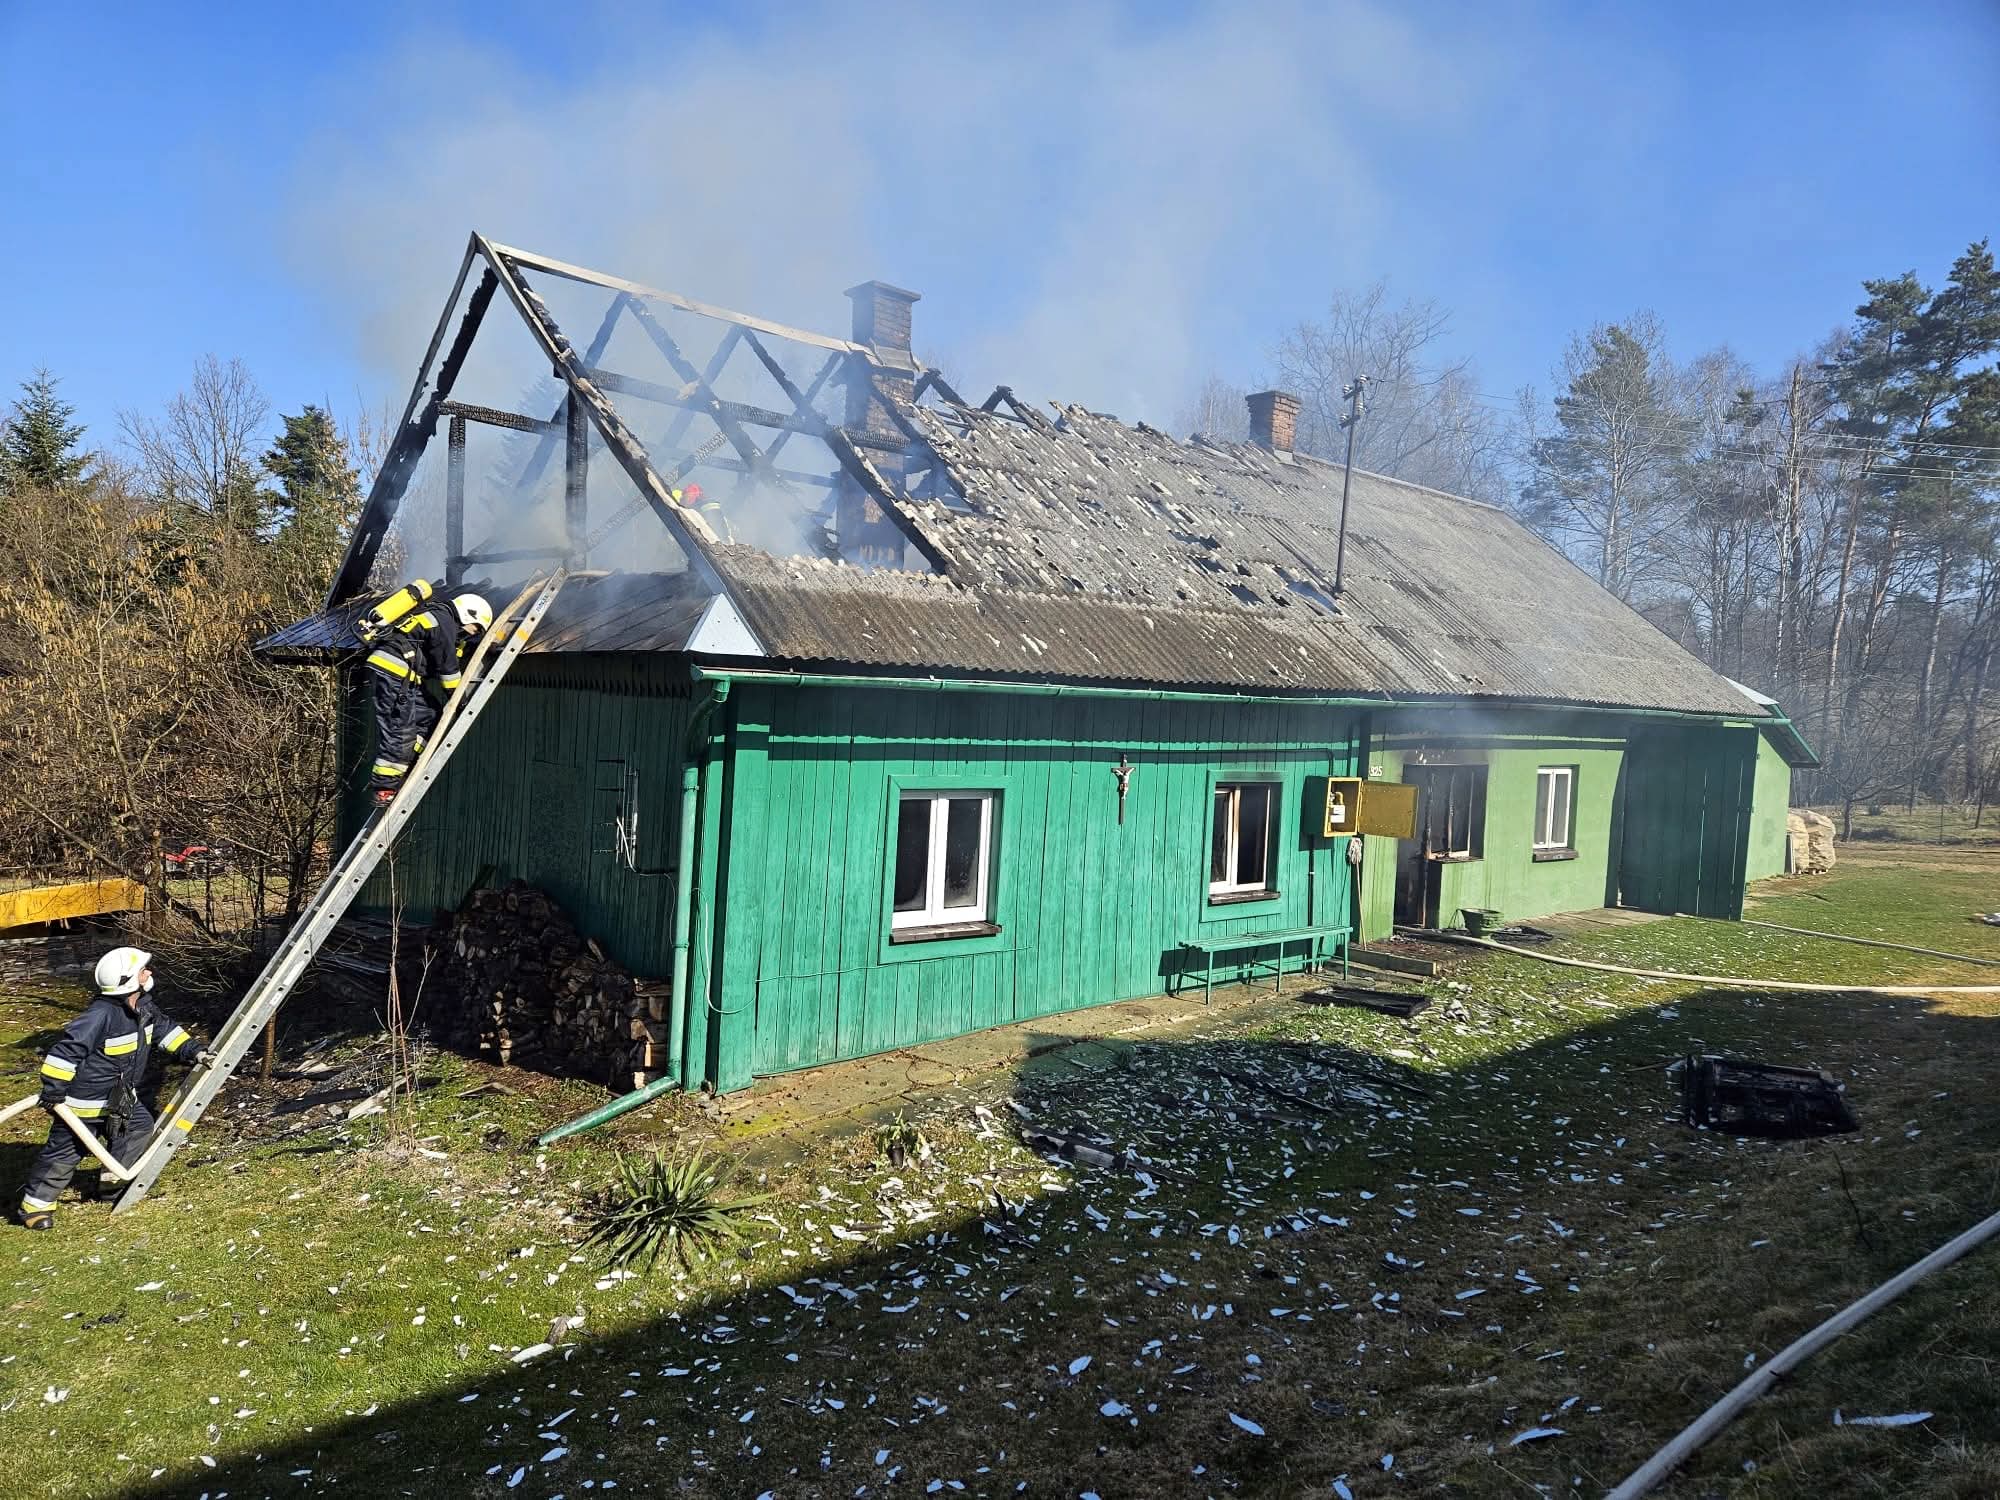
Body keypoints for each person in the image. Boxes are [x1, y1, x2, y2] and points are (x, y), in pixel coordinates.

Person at [15, 947, 211, 1229]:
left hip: (120, 1100)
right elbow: (64, 1053)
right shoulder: (100, 1015)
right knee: (65, 1154)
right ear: (129, 980)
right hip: (82, 1106)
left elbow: (167, 1032)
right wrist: (54, 1092)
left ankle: (112, 1184)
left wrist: (195, 1051)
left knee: (139, 1127)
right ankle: (35, 1208)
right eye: (143, 971)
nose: (149, 973)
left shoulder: (144, 1007)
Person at [360, 581, 492, 805]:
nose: (473, 634)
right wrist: (461, 702)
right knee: (399, 730)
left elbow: (441, 650)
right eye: (476, 628)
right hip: (395, 672)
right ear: (469, 614)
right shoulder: (445, 624)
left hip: (401, 674)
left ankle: (409, 762)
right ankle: (384, 788)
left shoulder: (438, 616)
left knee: (429, 715)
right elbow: (448, 670)